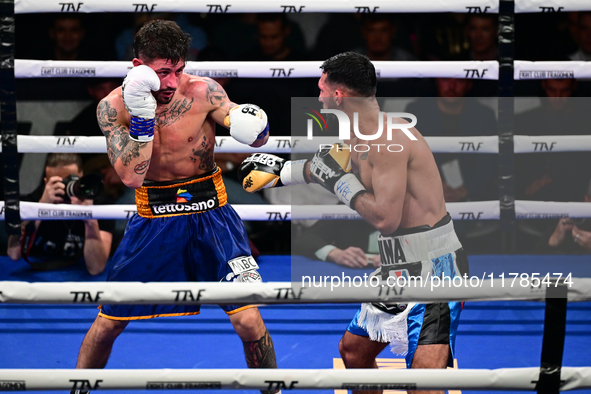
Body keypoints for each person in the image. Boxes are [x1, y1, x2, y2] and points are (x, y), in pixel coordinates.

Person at [238, 52, 469, 394]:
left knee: (424, 385)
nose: (317, 96)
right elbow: (327, 165)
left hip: (435, 269)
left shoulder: (390, 142)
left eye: (321, 88)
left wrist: (339, 183)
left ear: (339, 95)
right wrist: (280, 174)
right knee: (353, 351)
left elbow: (385, 219)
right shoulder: (360, 133)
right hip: (397, 265)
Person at [73, 19, 279, 393]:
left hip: (213, 217)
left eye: (178, 70)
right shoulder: (112, 107)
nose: (170, 82)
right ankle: (79, 389)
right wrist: (141, 117)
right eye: (162, 73)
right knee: (108, 323)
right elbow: (131, 176)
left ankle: (273, 390)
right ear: (138, 67)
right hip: (153, 219)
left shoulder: (203, 91)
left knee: (249, 322)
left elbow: (245, 126)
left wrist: (256, 126)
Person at [6, 153, 113, 275]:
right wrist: (40, 208)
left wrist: (89, 218)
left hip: (78, 277)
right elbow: (14, 253)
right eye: (59, 182)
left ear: (81, 177)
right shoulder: (31, 203)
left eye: (71, 180)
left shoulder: (100, 205)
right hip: (35, 276)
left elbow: (96, 268)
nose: (66, 186)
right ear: (46, 183)